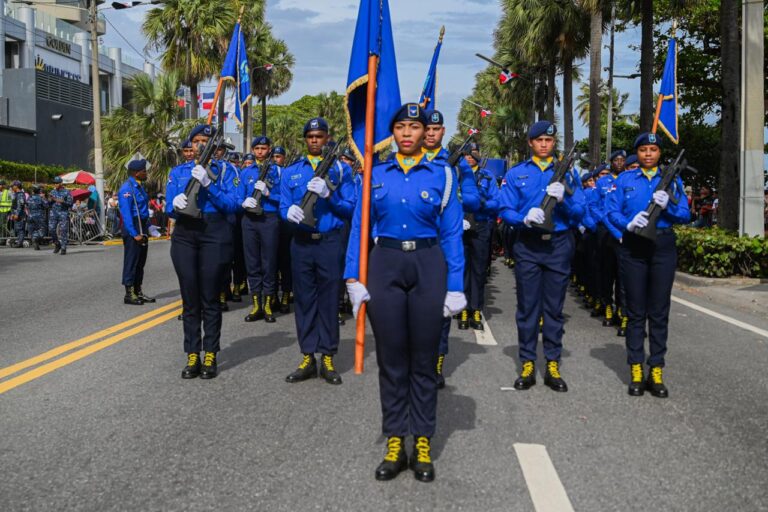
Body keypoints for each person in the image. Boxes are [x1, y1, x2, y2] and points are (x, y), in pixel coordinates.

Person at [345, 103, 466, 482]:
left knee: (424, 358)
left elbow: (451, 232)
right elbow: (359, 228)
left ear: (423, 131)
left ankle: (423, 441)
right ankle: (396, 439)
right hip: (387, 263)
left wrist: (456, 285)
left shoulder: (443, 175)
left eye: (415, 127)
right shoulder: (374, 173)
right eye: (401, 127)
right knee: (393, 358)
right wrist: (353, 277)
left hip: (428, 264)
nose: (409, 133)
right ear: (392, 133)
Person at [499, 120, 585, 392]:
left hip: (558, 244)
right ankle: (527, 362)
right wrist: (523, 217)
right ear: (531, 143)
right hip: (528, 244)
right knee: (527, 307)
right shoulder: (516, 174)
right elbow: (504, 208)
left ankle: (552, 363)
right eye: (540, 140)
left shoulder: (568, 174)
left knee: (554, 308)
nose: (545, 144)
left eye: (549, 141)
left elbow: (580, 211)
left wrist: (565, 200)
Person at [606, 132, 690, 398]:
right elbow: (611, 211)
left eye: (653, 149)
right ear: (637, 153)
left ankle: (656, 368)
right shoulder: (625, 180)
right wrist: (627, 224)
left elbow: (685, 214)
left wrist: (669, 207)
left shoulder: (672, 180)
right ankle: (636, 368)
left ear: (659, 153)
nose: (648, 154)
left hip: (662, 247)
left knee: (659, 310)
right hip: (634, 246)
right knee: (635, 310)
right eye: (643, 150)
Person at [279, 117, 355, 385]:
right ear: (305, 138)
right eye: (310, 136)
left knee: (329, 300)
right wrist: (287, 212)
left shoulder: (341, 171)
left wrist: (329, 196)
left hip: (329, 242)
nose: (314, 140)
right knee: (305, 300)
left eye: (319, 136)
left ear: (326, 138)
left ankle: (328, 356)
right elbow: (283, 205)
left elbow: (350, 208)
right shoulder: (291, 171)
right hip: (301, 243)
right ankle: (307, 355)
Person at [166, 124, 244, 380]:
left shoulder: (226, 170)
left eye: (205, 141)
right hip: (186, 234)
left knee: (210, 296)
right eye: (196, 140)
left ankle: (210, 351)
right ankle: (192, 353)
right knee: (190, 298)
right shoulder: (178, 172)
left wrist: (209, 184)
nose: (200, 145)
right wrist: (173, 205)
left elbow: (233, 204)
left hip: (215, 233)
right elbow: (169, 205)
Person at [422, 109, 481, 388]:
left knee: (441, 308)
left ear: (443, 132)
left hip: (445, 240)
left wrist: (455, 199)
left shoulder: (456, 164)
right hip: (417, 241)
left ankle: (436, 363)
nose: (431, 134)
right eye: (427, 129)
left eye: (436, 130)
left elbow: (473, 197)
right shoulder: (412, 160)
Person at [241, 136, 282, 323]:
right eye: (256, 148)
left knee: (269, 261)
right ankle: (256, 302)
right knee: (252, 262)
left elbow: (285, 198)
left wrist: (269, 193)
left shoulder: (278, 172)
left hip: (269, 219)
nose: (260, 151)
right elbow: (237, 196)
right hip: (250, 219)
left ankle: (268, 302)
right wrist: (243, 202)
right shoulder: (246, 172)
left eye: (263, 148)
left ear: (269, 149)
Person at [460, 146, 500, 331]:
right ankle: (463, 309)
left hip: (480, 225)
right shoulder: (456, 174)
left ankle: (475, 308)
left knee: (478, 269)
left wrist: (482, 203)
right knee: (461, 269)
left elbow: (497, 201)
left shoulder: (487, 177)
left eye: (472, 154)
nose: (468, 158)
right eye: (465, 155)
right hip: (459, 226)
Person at [118, 159, 160, 305]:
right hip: (133, 226)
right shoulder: (127, 189)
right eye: (144, 171)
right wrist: (134, 233)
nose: (146, 173)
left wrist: (149, 226)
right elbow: (126, 214)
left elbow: (143, 211)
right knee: (132, 261)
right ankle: (129, 294)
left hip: (142, 224)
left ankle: (138, 291)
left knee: (140, 262)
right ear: (137, 173)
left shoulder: (139, 187)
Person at [48, 177, 73, 254]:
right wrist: (50, 200)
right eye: (54, 183)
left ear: (61, 183)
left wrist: (63, 202)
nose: (55, 184)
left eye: (57, 183)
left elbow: (70, 204)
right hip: (54, 213)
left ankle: (63, 247)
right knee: (51, 229)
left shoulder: (67, 192)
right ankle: (57, 244)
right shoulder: (52, 192)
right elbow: (48, 204)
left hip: (63, 213)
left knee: (63, 230)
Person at [27, 185, 47, 250]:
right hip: (39, 216)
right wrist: (44, 198)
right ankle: (35, 238)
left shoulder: (29, 198)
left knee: (32, 230)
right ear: (39, 191)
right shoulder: (40, 198)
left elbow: (26, 205)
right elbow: (46, 205)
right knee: (42, 230)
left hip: (30, 216)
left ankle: (36, 242)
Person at [9, 181, 26, 248]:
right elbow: (14, 205)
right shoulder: (16, 194)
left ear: (16, 186)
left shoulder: (20, 194)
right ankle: (19, 241)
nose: (12, 187)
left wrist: (17, 214)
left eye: (13, 186)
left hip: (20, 215)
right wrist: (13, 213)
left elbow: (20, 205)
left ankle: (20, 243)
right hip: (16, 214)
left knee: (20, 229)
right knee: (18, 229)